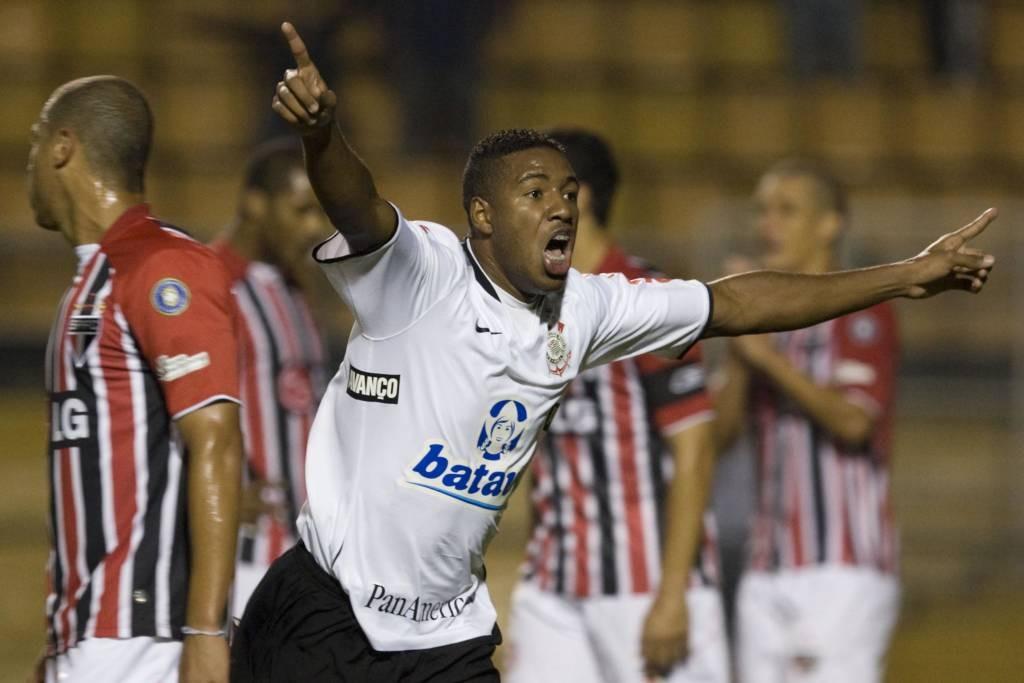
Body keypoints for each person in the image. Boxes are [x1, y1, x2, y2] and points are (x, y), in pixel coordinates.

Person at [231, 22, 995, 682]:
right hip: (324, 611)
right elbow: (359, 206)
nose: (560, 203)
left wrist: (904, 274)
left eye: (568, 191)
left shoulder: (591, 304)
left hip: (445, 632)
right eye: (536, 191)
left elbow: (734, 302)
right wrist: (322, 133)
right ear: (482, 215)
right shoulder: (421, 272)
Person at [28, 76, 243, 682]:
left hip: (143, 637)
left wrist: (205, 633)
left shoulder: (160, 266)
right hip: (90, 633)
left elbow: (217, 441)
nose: (28, 173)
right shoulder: (89, 282)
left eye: (32, 150)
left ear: (62, 148)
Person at [504, 129, 728, 682]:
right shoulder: (527, 304)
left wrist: (672, 597)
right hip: (553, 585)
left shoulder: (648, 299)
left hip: (647, 585)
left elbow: (694, 452)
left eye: (529, 193)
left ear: (571, 200)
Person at [714, 159, 900, 682]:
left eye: (786, 210)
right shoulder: (763, 324)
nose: (766, 225)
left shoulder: (862, 313)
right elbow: (720, 438)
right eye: (762, 211)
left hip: (841, 569)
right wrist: (737, 350)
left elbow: (854, 423)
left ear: (829, 224)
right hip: (765, 563)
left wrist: (767, 359)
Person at [211, 139, 330, 620]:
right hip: (246, 559)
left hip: (310, 552)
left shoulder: (297, 284)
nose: (314, 227)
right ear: (256, 204)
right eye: (300, 210)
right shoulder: (211, 285)